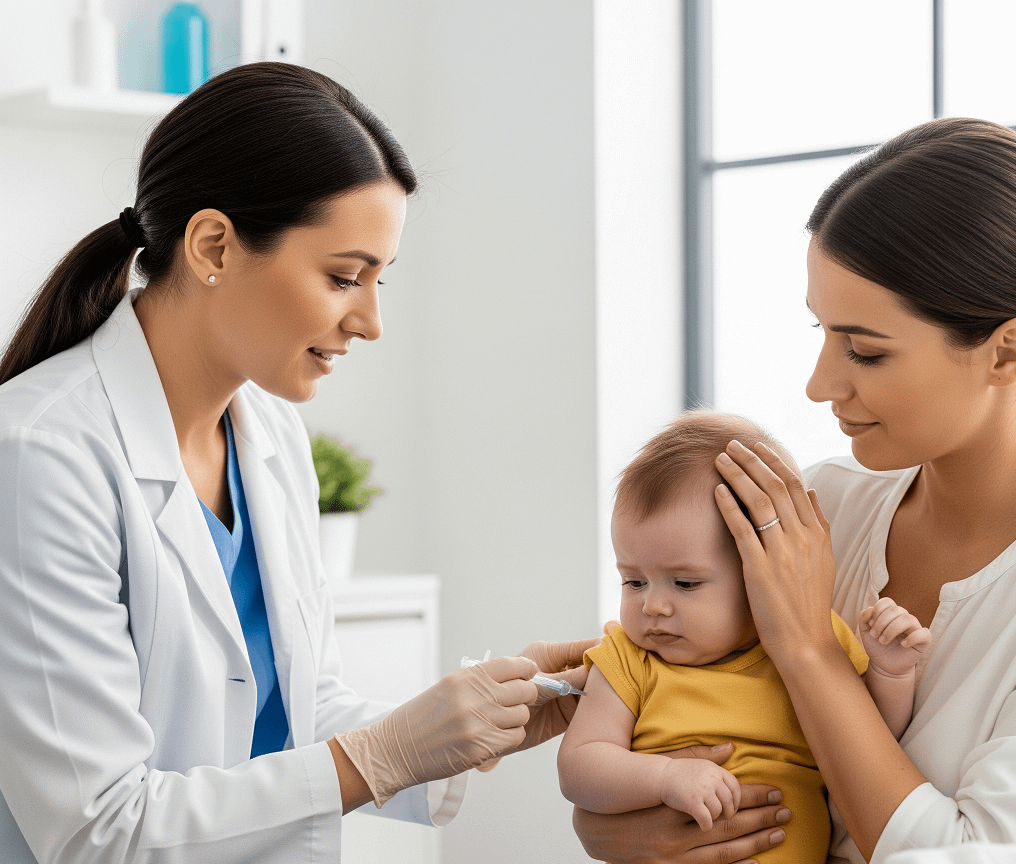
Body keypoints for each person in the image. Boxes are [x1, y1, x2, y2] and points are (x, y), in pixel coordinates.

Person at [0, 62, 592, 864]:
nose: (371, 322)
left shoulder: (270, 439)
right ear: (214, 245)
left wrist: (480, 718)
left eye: (380, 280)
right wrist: (380, 756)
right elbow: (99, 829)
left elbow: (298, 713)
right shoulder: (38, 456)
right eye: (345, 277)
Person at [572, 117, 1016, 864]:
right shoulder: (815, 514)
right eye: (821, 332)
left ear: (1005, 349)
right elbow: (652, 726)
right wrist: (616, 819)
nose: (819, 386)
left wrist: (808, 649)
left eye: (864, 351)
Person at [558, 411, 929, 863]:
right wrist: (665, 777)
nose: (653, 606)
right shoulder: (629, 658)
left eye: (685, 583)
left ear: (761, 575)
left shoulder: (812, 638)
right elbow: (579, 767)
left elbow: (871, 740)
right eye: (633, 582)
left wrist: (891, 672)